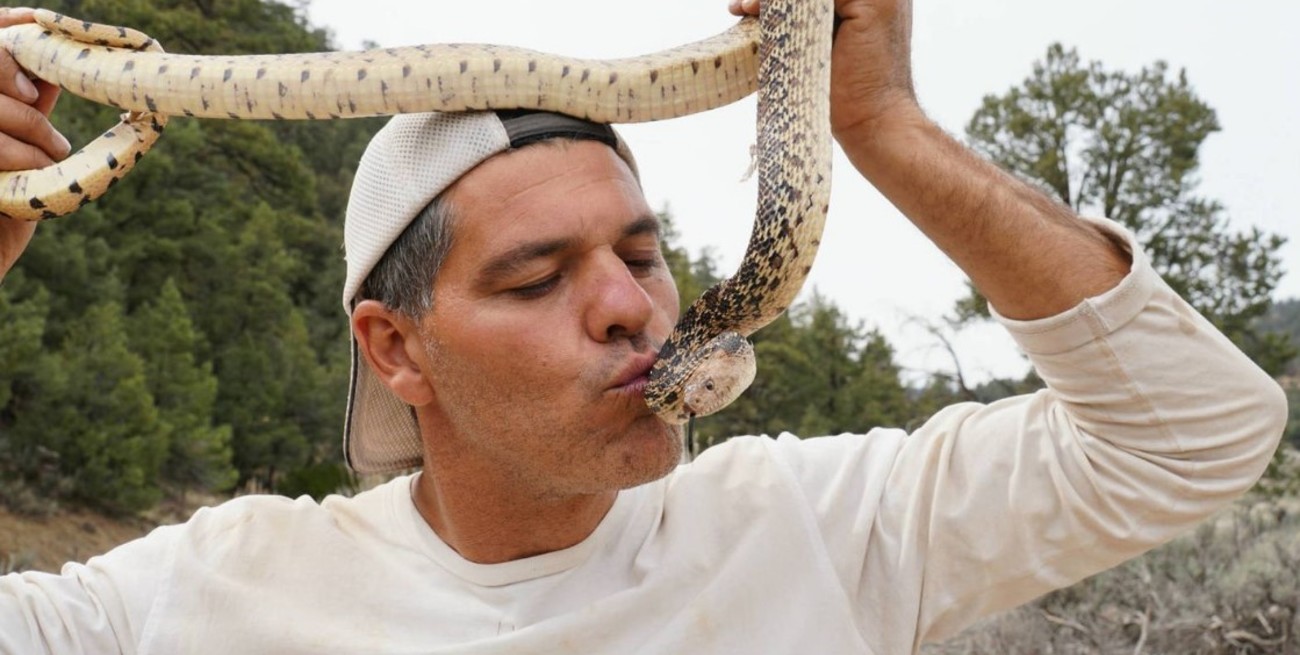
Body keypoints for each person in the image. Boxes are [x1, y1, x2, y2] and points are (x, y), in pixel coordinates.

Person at [0, 0, 1287, 652]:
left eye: (641, 250)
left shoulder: (816, 528)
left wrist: (882, 127)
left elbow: (1191, 439)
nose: (628, 305)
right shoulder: (208, 593)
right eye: (532, 278)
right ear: (397, 349)